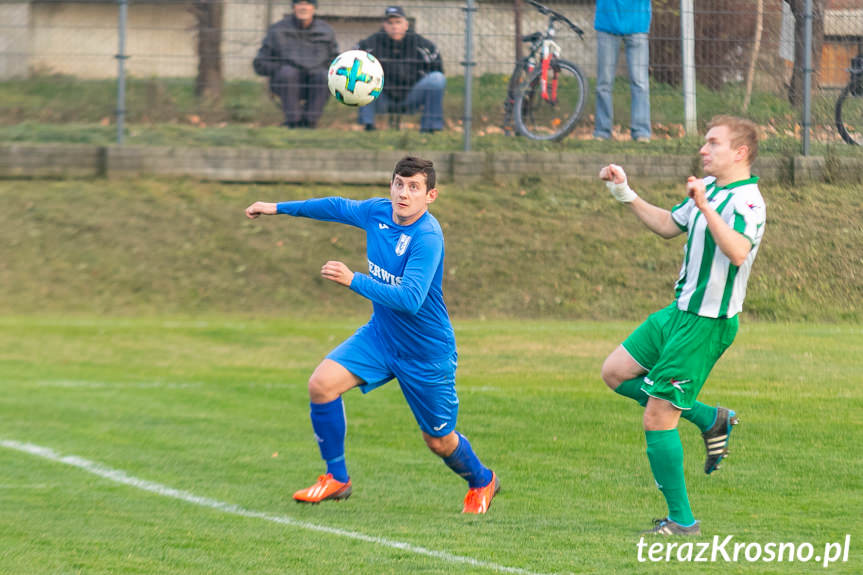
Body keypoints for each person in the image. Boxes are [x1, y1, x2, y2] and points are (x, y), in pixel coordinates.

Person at [244, 156, 499, 514]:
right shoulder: (377, 212)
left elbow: (410, 299)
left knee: (438, 440)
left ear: (431, 196)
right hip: (381, 337)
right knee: (321, 384)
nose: (404, 193)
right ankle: (337, 478)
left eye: (414, 187)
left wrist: (354, 280)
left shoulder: (427, 236)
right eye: (399, 184)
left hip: (426, 352)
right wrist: (275, 208)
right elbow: (335, 206)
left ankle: (482, 480)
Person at [598, 116, 765, 535]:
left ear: (740, 152)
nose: (703, 150)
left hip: (706, 324)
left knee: (658, 416)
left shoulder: (748, 201)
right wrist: (625, 192)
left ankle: (682, 521)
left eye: (713, 143)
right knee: (614, 372)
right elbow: (668, 226)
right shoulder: (708, 191)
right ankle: (710, 417)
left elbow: (739, 252)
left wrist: (706, 208)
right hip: (678, 313)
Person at [356, 6, 446, 133]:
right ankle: (367, 125)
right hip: (381, 97)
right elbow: (352, 63)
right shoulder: (369, 45)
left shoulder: (423, 45)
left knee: (437, 79)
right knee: (359, 74)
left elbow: (437, 69)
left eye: (398, 22)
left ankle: (429, 127)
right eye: (390, 23)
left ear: (406, 25)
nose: (394, 27)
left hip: (411, 96)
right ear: (384, 25)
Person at [253, 0, 338, 128]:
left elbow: (334, 59)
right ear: (293, 7)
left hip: (317, 81)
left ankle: (310, 121)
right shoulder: (277, 30)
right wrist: (280, 68)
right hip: (286, 82)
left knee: (324, 76)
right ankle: (294, 121)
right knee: (288, 73)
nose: (303, 7)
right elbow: (260, 63)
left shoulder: (327, 31)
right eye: (299, 3)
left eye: (308, 3)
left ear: (314, 8)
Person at [593, 0, 652, 141]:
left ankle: (641, 132)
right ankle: (602, 131)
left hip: (637, 24)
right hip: (607, 23)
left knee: (640, 83)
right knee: (604, 84)